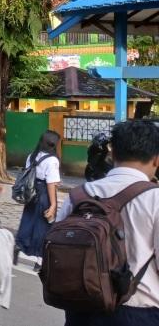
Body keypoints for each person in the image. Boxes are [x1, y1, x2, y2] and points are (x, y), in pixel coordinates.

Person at [56, 120, 159, 326]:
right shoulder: (155, 199)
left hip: (81, 309)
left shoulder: (79, 195)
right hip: (137, 312)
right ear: (156, 160)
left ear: (112, 155)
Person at [14, 130, 61, 270]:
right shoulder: (52, 160)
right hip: (44, 194)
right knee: (44, 226)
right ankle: (40, 261)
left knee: (28, 220)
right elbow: (51, 184)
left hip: (31, 193)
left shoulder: (31, 156)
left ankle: (19, 245)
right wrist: (53, 205)